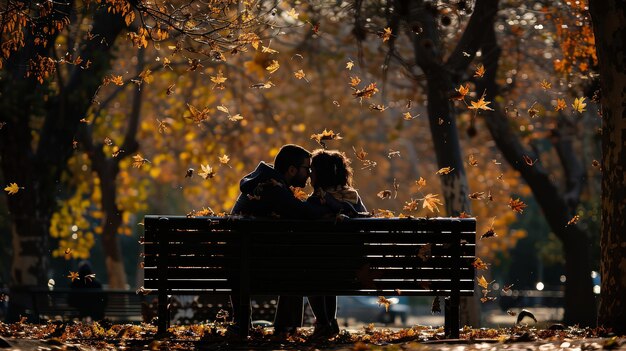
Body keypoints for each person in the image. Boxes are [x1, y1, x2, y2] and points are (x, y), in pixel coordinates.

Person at [230, 144, 341, 337]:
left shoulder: (264, 183)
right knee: (301, 262)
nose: (309, 174)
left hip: (239, 263)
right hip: (256, 265)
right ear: (292, 169)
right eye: (307, 168)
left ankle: (280, 325)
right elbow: (305, 213)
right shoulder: (274, 189)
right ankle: (294, 325)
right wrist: (333, 208)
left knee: (294, 257)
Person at [306, 149, 368, 340]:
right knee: (327, 269)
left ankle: (323, 323)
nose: (309, 175)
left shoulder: (315, 202)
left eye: (312, 171)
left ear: (319, 175)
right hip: (352, 271)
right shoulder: (354, 198)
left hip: (318, 270)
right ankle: (330, 321)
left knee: (314, 270)